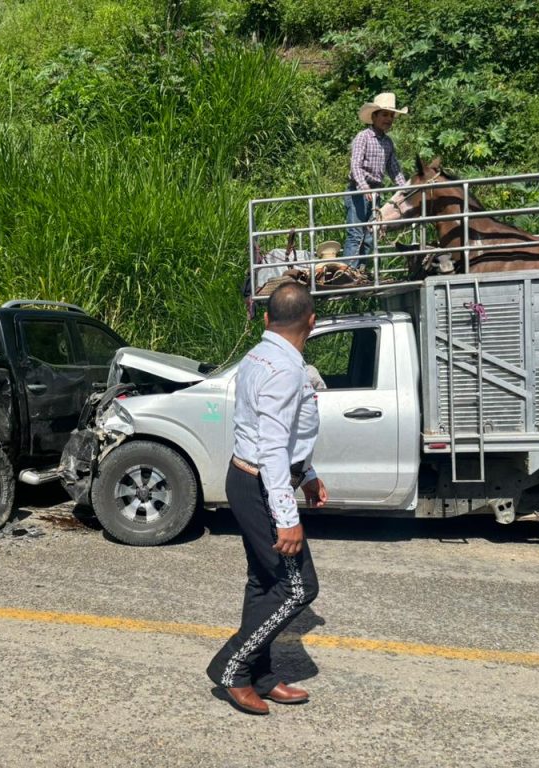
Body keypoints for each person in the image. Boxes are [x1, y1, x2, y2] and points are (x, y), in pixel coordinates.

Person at [206, 282, 328, 715]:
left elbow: (286, 434)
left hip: (252, 477)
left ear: (265, 319)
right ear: (311, 322)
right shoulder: (286, 369)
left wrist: (308, 473)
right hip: (262, 484)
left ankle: (262, 675)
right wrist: (287, 517)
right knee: (298, 588)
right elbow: (274, 447)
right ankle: (232, 665)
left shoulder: (259, 356)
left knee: (264, 580)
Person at [344, 92, 409, 269]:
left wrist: (406, 190)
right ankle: (347, 274)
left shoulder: (388, 142)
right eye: (384, 115)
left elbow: (394, 170)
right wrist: (364, 188)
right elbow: (355, 166)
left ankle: (361, 273)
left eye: (391, 115)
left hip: (376, 192)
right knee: (356, 234)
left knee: (371, 235)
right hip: (359, 190)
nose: (388, 119)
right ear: (374, 116)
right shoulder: (363, 137)